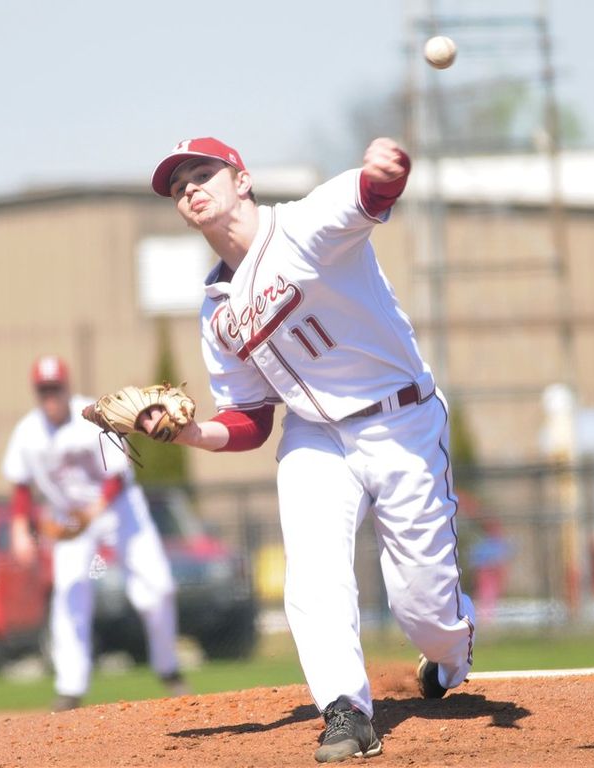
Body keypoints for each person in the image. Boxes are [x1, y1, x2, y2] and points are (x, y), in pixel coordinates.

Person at [140, 137, 475, 762]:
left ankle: (449, 656)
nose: (189, 186)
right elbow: (248, 419)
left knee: (422, 607)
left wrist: (386, 171)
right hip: (314, 433)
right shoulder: (217, 311)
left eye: (202, 172)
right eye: (177, 183)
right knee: (313, 572)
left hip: (400, 419)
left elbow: (368, 197)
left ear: (242, 180)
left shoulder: (301, 225)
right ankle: (346, 711)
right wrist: (189, 433)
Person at [3, 354, 187, 711]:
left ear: (66, 387)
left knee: (158, 586)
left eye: (55, 388)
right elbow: (20, 486)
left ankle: (168, 669)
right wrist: (20, 529)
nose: (50, 396)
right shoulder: (28, 432)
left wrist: (95, 512)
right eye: (44, 390)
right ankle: (70, 688)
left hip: (118, 509)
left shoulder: (91, 415)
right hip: (71, 521)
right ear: (36, 392)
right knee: (69, 589)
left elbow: (117, 475)